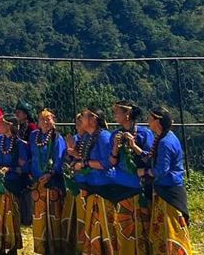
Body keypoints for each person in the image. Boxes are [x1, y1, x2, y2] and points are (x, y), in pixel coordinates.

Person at [144, 106, 192, 255]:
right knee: (163, 230)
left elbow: (161, 171)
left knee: (171, 231)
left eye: (150, 118)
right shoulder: (164, 137)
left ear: (157, 121)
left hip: (169, 192)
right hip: (164, 190)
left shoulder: (165, 142)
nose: (147, 121)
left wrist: (143, 172)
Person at [112, 100, 155, 255]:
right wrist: (115, 148)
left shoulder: (144, 133)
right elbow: (112, 161)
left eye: (117, 112)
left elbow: (149, 160)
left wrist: (133, 145)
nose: (114, 115)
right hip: (122, 185)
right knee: (124, 227)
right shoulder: (115, 134)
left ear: (127, 114)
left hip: (140, 186)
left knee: (143, 226)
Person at [76, 108, 116, 255]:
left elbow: (108, 163)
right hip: (91, 187)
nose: (81, 119)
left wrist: (86, 164)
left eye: (84, 116)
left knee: (106, 229)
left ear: (93, 120)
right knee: (92, 228)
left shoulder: (104, 137)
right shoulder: (87, 137)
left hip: (104, 188)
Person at [28, 109, 66, 254]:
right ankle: (42, 246)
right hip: (37, 181)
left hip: (51, 182)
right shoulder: (34, 136)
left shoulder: (57, 138)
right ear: (38, 122)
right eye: (42, 119)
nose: (45, 122)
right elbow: (30, 154)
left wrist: (51, 174)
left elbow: (59, 158)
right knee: (39, 214)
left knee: (52, 214)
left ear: (53, 120)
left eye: (48, 119)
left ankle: (54, 247)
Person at [0, 114, 26, 255]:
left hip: (12, 183)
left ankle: (13, 246)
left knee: (11, 215)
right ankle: (0, 246)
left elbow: (24, 165)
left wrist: (10, 169)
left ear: (9, 126)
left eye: (2, 124)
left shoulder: (20, 144)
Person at [61, 112, 91, 255]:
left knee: (83, 216)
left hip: (84, 182)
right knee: (71, 214)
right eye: (77, 123)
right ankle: (70, 245)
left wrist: (74, 154)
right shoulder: (73, 138)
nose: (78, 126)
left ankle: (83, 247)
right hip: (72, 182)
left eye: (81, 122)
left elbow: (86, 159)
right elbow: (65, 159)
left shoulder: (89, 140)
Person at [14, 102, 37, 227]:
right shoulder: (18, 127)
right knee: (21, 189)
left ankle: (29, 217)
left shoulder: (32, 128)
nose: (17, 113)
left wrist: (21, 143)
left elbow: (34, 145)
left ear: (26, 114)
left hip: (28, 162)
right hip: (19, 162)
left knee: (28, 190)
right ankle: (22, 216)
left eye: (20, 111)